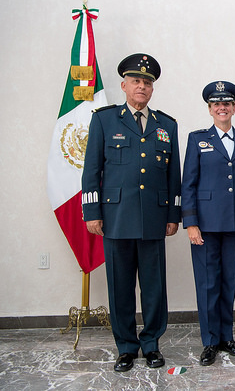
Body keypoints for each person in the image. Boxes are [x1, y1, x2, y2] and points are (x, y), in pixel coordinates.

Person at [82, 53, 181, 372]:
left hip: (154, 219)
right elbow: (92, 170)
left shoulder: (166, 125)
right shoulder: (105, 120)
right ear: (124, 85)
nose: (142, 86)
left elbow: (173, 175)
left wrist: (173, 215)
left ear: (152, 89)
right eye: (136, 81)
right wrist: (91, 212)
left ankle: (151, 344)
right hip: (116, 219)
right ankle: (126, 347)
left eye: (147, 82)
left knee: (154, 289)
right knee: (120, 286)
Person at [181, 81, 235, 367]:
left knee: (228, 282)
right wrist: (190, 223)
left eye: (226, 103)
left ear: (234, 108)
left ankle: (227, 336)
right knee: (208, 283)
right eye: (216, 104)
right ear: (210, 109)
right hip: (205, 225)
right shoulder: (197, 139)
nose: (222, 108)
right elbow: (188, 183)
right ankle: (210, 340)